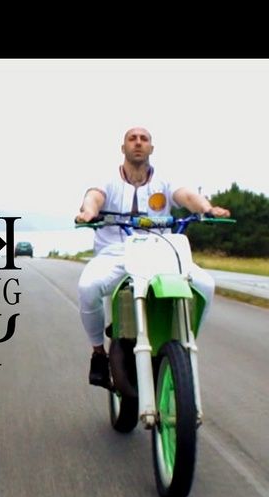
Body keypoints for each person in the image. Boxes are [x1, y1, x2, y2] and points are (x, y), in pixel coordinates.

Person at [75, 127, 230, 389]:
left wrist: (207, 208)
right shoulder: (108, 180)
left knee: (206, 285)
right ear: (123, 148)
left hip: (161, 251)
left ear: (151, 148)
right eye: (132, 139)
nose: (138, 143)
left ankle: (184, 342)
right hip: (116, 252)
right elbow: (93, 197)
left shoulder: (165, 181)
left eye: (144, 139)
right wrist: (88, 212)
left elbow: (187, 196)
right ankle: (99, 353)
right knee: (87, 287)